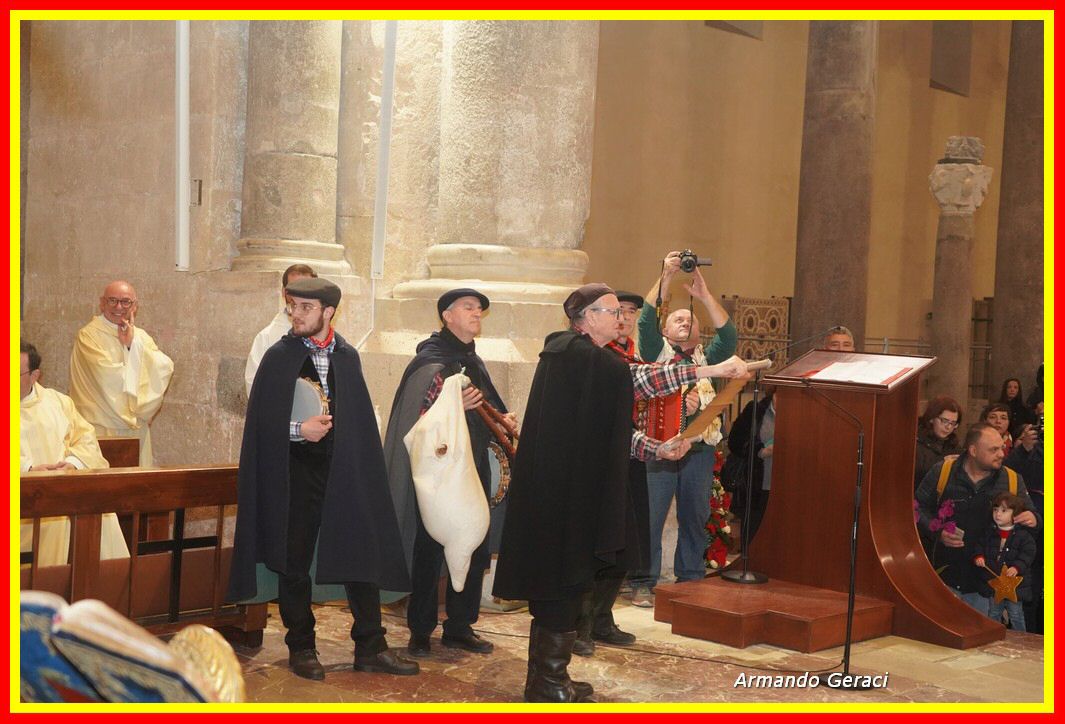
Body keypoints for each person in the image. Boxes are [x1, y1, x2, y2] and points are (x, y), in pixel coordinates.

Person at [493, 283, 748, 703]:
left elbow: (612, 433)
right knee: (561, 584)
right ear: (586, 318)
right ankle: (547, 682)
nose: (620, 318)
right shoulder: (574, 355)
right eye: (612, 312)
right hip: (562, 498)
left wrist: (657, 449)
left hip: (570, 493)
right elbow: (638, 379)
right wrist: (709, 370)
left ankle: (548, 677)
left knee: (567, 584)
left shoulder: (587, 361)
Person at [227, 278, 418, 681]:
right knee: (293, 559)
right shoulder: (279, 357)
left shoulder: (347, 356)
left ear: (328, 312)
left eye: (305, 308)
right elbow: (260, 425)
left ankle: (371, 646)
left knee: (360, 553)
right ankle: (302, 646)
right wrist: (300, 429)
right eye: (292, 306)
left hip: (343, 471)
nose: (295, 315)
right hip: (295, 473)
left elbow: (359, 419)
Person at [383, 288, 515, 659]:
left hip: (473, 466)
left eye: (479, 309)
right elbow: (419, 419)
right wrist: (452, 404)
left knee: (474, 543)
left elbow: (487, 407)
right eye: (468, 307)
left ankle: (460, 626)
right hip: (439, 475)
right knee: (429, 548)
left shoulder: (474, 361)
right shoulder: (430, 361)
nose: (476, 313)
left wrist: (503, 418)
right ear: (447, 316)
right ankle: (420, 630)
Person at [573, 290, 695, 657]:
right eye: (618, 312)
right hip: (602, 462)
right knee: (598, 546)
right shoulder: (595, 356)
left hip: (632, 458)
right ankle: (580, 624)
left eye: (629, 313)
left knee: (625, 541)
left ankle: (602, 617)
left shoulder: (633, 357)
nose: (623, 318)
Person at [629, 252, 738, 607]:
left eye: (690, 319)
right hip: (659, 448)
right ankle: (643, 580)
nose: (684, 322)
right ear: (665, 330)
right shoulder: (655, 352)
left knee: (695, 515)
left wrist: (704, 295)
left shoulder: (709, 358)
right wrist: (665, 276)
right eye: (677, 318)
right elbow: (646, 319)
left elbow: (729, 335)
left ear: (699, 332)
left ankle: (690, 578)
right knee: (651, 516)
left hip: (700, 450)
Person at [20, 342, 128, 565]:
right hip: (20, 503)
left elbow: (86, 440)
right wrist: (27, 470)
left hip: (64, 493)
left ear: (34, 376)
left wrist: (72, 463)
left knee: (100, 512)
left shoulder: (58, 403)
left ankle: (101, 582)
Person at [915, 423, 1040, 614]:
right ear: (973, 450)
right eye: (993, 450)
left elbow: (1034, 518)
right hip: (942, 577)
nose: (1001, 454)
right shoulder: (943, 472)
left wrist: (1033, 518)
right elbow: (917, 507)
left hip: (987, 587)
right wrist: (937, 532)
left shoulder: (1012, 480)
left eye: (1001, 448)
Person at [69, 281, 174, 467]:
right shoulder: (89, 336)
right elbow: (106, 378)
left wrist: (132, 345)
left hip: (136, 432)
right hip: (100, 430)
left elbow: (164, 367)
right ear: (102, 303)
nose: (119, 307)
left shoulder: (141, 337)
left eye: (125, 302)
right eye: (112, 300)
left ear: (135, 306)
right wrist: (134, 356)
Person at [244, 264, 317, 398]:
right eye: (294, 288)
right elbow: (254, 388)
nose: (300, 294)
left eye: (307, 288)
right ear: (284, 292)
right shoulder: (266, 338)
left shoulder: (327, 338)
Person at [971, 493, 1036, 631]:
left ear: (1015, 514)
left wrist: (1017, 567)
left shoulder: (1023, 535)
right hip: (995, 583)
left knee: (1016, 614)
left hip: (1015, 586)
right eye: (995, 510)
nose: (998, 514)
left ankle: (1021, 638)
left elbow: (1028, 553)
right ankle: (993, 634)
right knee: (993, 612)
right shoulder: (989, 533)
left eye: (1004, 510)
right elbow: (979, 546)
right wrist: (979, 557)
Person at [725, 386, 776, 541]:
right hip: (757, 487)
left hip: (786, 489)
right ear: (773, 393)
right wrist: (760, 451)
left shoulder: (799, 415)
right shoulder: (755, 411)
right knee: (753, 536)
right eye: (779, 394)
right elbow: (735, 442)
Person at [914, 396, 963, 490]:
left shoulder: (954, 445)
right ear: (931, 418)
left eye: (953, 423)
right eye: (944, 421)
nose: (948, 427)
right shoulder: (915, 440)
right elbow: (917, 472)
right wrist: (943, 463)